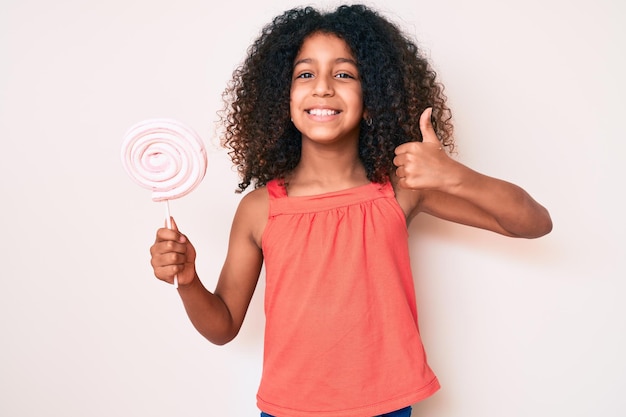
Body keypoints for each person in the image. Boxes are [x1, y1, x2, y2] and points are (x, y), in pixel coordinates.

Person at [149, 4, 552, 417]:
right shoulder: (258, 209)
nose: (322, 88)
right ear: (280, 97)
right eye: (305, 74)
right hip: (289, 409)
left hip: (388, 406)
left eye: (344, 73)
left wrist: (453, 175)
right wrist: (188, 280)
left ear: (373, 94)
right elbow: (223, 326)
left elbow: (533, 222)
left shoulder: (401, 189)